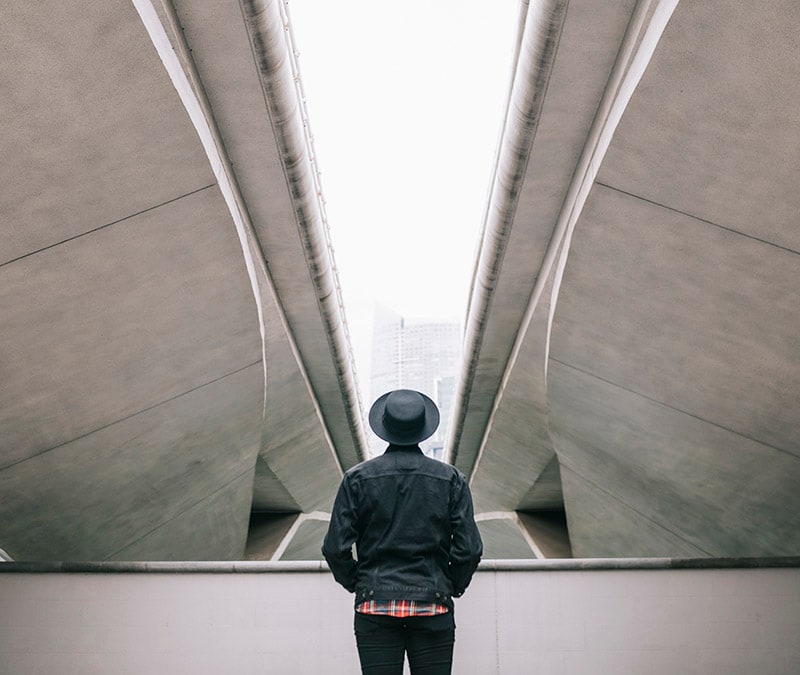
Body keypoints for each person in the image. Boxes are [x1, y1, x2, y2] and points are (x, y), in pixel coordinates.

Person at [322, 389, 483, 675]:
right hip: (434, 603)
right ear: (422, 430)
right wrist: (450, 585)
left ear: (385, 428)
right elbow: (469, 548)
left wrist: (358, 583)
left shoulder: (356, 479)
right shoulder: (451, 480)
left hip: (375, 604)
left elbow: (335, 547)